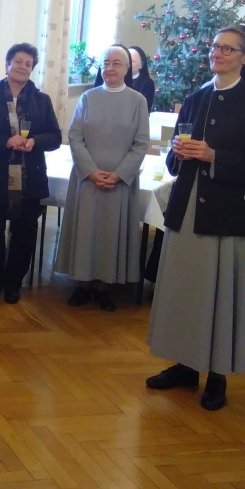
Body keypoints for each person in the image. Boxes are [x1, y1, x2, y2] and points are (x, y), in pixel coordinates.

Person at [146, 25, 245, 411]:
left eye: (227, 48)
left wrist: (214, 157)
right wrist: (178, 152)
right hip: (188, 210)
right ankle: (185, 366)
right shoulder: (195, 98)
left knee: (220, 295)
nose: (217, 53)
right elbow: (174, 162)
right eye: (215, 46)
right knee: (186, 290)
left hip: (228, 216)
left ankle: (217, 376)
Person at [55, 44, 149, 312]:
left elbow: (141, 143)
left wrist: (119, 175)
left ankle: (105, 286)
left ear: (127, 68)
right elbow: (74, 136)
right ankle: (82, 284)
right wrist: (91, 171)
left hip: (119, 182)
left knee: (110, 233)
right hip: (88, 178)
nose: (110, 68)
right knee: (86, 231)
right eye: (106, 63)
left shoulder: (137, 101)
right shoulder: (88, 98)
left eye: (117, 63)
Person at [0, 43, 62, 304]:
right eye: (18, 61)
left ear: (32, 69)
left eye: (28, 64)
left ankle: (14, 282)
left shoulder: (41, 100)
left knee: (24, 233)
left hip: (29, 177)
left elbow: (55, 136)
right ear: (7, 64)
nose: (22, 67)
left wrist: (34, 141)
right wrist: (5, 142)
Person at [128, 45, 155, 112]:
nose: (129, 64)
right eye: (126, 60)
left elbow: (145, 107)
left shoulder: (147, 83)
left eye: (132, 61)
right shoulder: (117, 80)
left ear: (141, 65)